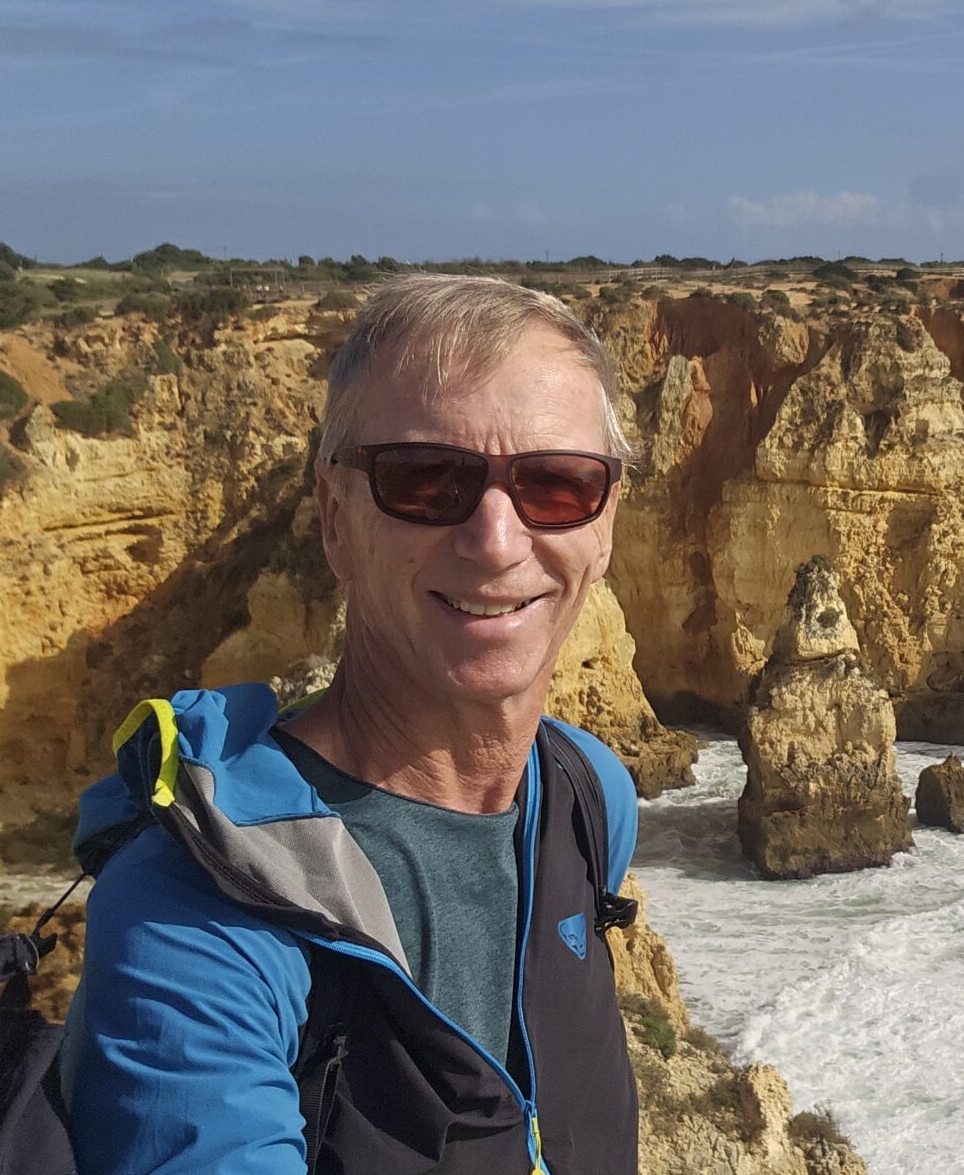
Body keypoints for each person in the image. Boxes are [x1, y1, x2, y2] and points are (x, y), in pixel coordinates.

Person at [59, 274, 644, 1174]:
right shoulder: (198, 907)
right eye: (426, 480)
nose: (496, 540)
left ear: (604, 528)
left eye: (557, 484)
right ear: (335, 519)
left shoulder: (587, 796)